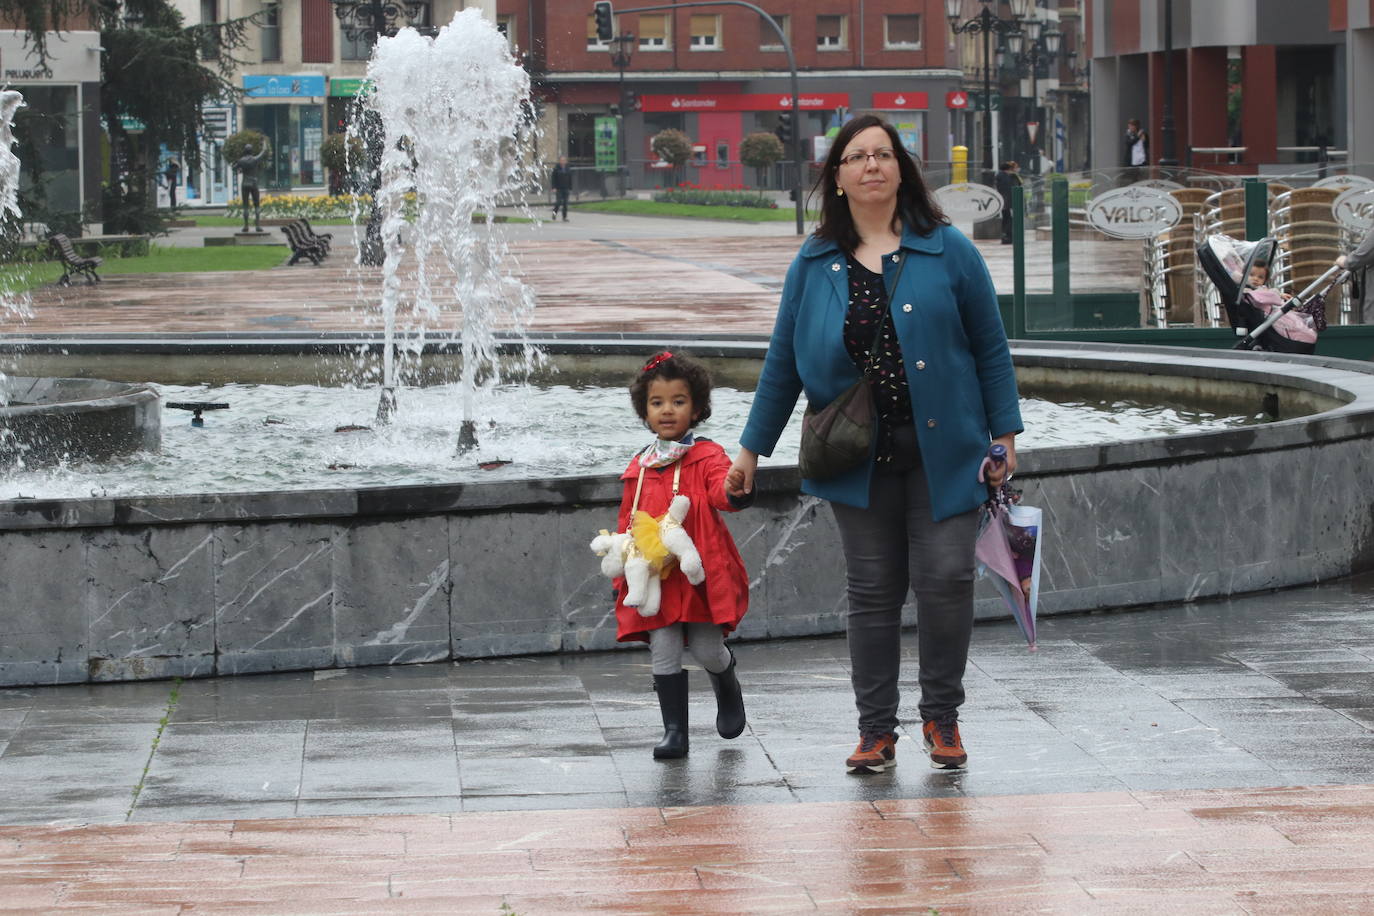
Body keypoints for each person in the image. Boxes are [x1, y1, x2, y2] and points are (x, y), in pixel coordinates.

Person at [725, 114, 1022, 774]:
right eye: (857, 156)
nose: (871, 166)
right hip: (854, 454)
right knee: (872, 590)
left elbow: (990, 349)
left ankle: (941, 717)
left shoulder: (949, 251)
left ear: (901, 169)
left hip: (947, 451)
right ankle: (875, 732)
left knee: (946, 579)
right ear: (837, 177)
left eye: (883, 154)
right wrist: (750, 449)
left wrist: (1005, 435)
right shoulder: (813, 262)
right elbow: (784, 362)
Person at [609, 351, 754, 760]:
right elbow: (628, 521)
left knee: (707, 648)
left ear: (696, 408)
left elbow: (719, 493)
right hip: (658, 576)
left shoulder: (706, 456)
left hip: (699, 570)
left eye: (678, 401)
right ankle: (675, 730)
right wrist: (623, 570)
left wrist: (734, 487)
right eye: (657, 403)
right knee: (665, 647)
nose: (667, 410)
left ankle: (726, 679)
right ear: (644, 410)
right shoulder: (640, 464)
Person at [234, 143, 268, 232]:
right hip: (253, 183)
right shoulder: (255, 159)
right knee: (256, 205)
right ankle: (258, 226)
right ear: (251, 151)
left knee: (245, 206)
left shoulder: (241, 160)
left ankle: (246, 226)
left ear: (244, 151)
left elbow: (234, 168)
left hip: (245, 183)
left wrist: (240, 170)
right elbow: (263, 152)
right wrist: (264, 143)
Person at [994, 160, 1021, 245]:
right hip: (1008, 202)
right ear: (1009, 169)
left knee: (1006, 218)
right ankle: (1008, 237)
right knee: (1008, 219)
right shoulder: (1007, 177)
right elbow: (1018, 185)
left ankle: (1006, 236)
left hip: (1005, 202)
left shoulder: (1001, 176)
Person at [1123, 118, 1148, 183]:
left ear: (1136, 126)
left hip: (1142, 159)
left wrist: (1144, 140)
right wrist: (1137, 136)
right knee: (1133, 179)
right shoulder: (1128, 134)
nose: (1130, 127)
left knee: (1142, 178)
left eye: (1132, 126)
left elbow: (1147, 145)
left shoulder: (1142, 133)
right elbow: (1129, 143)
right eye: (1129, 126)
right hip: (1132, 161)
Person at [550, 155, 572, 222]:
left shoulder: (567, 168)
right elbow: (553, 179)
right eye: (562, 160)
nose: (563, 162)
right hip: (558, 188)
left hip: (566, 188)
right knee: (558, 202)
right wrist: (553, 187)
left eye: (564, 160)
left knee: (565, 203)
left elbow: (570, 178)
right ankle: (554, 213)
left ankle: (564, 217)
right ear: (559, 161)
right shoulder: (556, 168)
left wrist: (570, 187)